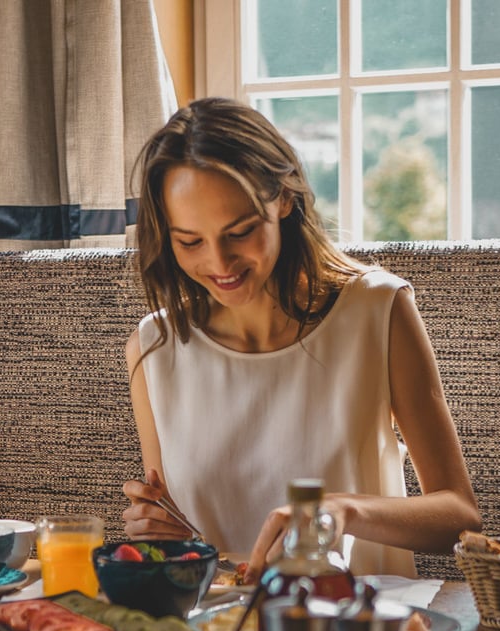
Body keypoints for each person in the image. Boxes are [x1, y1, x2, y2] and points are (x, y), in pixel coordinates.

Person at [121, 97, 480, 580]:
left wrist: (343, 512)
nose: (220, 264)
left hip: (352, 630)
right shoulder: (154, 348)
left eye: (241, 231)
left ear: (285, 198)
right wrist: (161, 532)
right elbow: (183, 544)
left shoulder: (378, 310)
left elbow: (459, 517)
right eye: (190, 241)